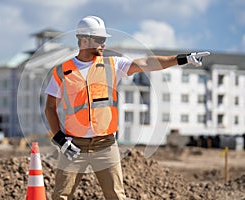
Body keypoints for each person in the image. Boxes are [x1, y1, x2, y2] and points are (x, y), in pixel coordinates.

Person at [45, 15, 210, 200]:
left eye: (104, 40)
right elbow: (50, 108)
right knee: (61, 196)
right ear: (84, 40)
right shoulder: (62, 71)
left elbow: (147, 63)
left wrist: (182, 59)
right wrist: (61, 140)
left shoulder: (111, 64)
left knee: (117, 196)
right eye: (100, 40)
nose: (104, 44)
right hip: (73, 144)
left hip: (105, 145)